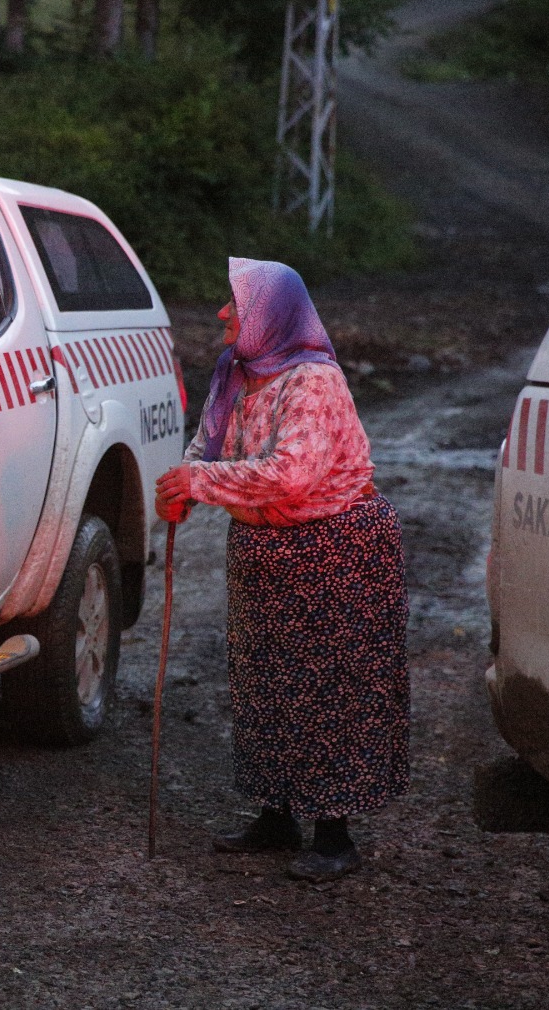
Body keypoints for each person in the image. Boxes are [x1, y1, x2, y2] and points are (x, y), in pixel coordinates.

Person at [154, 257, 410, 883]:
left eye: (234, 306)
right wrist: (185, 483)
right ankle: (275, 816)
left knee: (327, 691)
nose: (222, 314)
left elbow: (293, 472)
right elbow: (206, 446)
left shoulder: (313, 382)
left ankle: (334, 834)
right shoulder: (236, 374)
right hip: (265, 550)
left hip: (334, 550)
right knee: (264, 680)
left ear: (268, 317)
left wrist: (202, 482)